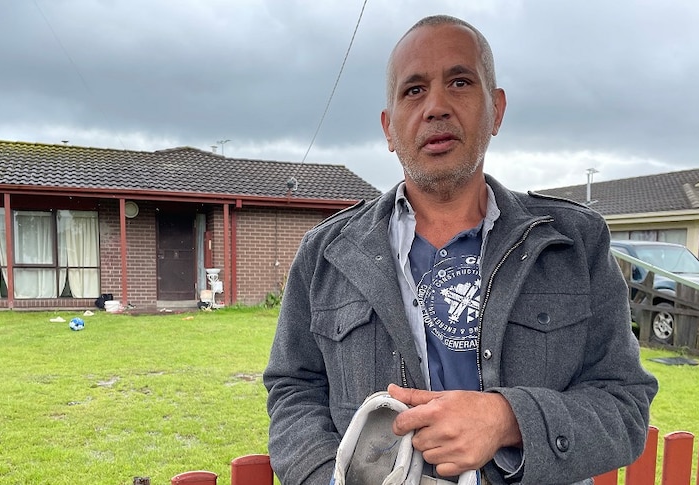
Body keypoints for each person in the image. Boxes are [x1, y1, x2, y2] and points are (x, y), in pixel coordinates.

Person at [263, 14, 658, 485]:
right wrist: (326, 477)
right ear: (389, 129)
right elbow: (293, 389)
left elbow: (624, 405)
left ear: (497, 109)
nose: (436, 106)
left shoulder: (576, 245)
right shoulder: (324, 255)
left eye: (459, 81)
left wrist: (508, 419)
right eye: (414, 89)